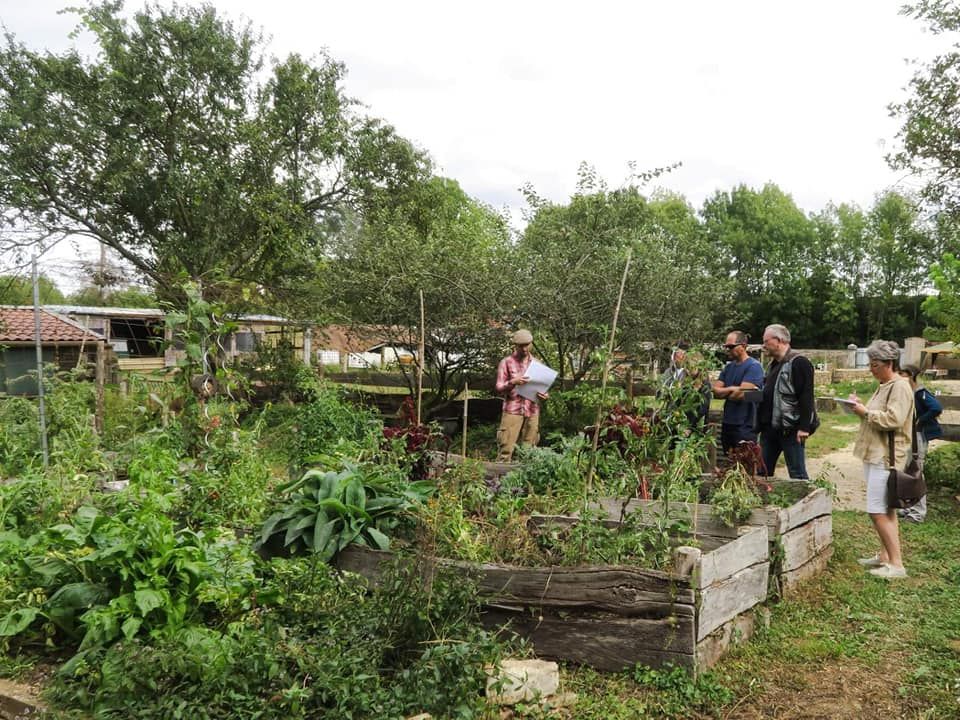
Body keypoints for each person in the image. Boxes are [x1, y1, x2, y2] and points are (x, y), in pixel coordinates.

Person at [848, 340, 914, 579]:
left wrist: (865, 412)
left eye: (874, 364)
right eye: (870, 364)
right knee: (887, 509)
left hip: (886, 457)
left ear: (889, 363)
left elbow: (894, 419)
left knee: (876, 511)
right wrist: (859, 408)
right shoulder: (884, 385)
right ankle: (886, 556)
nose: (871, 369)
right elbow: (877, 416)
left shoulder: (900, 387)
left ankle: (897, 565)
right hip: (874, 453)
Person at [757, 324, 817, 479]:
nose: (763, 345)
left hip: (790, 430)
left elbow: (806, 396)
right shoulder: (773, 365)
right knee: (762, 472)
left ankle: (806, 496)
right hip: (770, 429)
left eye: (766, 341)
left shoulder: (799, 362)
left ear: (779, 341)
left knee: (797, 474)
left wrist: (804, 427)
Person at [896, 364, 942, 523]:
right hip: (908, 436)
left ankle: (917, 513)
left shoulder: (920, 393)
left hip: (918, 437)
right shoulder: (907, 393)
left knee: (916, 472)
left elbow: (936, 407)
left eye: (903, 374)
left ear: (912, 376)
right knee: (907, 472)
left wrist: (920, 421)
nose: (900, 377)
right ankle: (908, 507)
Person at [494, 329, 548, 462]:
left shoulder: (537, 364)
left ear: (531, 344)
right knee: (505, 450)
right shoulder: (506, 362)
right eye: (521, 346)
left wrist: (545, 395)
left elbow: (543, 388)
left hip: (532, 411)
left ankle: (523, 475)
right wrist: (512, 382)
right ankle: (500, 474)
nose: (524, 349)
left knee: (528, 452)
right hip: (512, 410)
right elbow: (499, 387)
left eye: (527, 345)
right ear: (515, 345)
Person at [712, 331, 764, 454]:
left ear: (743, 346)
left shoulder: (754, 366)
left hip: (745, 425)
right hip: (727, 422)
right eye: (726, 347)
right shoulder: (728, 367)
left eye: (731, 347)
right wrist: (732, 389)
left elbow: (739, 395)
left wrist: (728, 391)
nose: (728, 350)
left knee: (745, 461)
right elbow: (716, 392)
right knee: (729, 459)